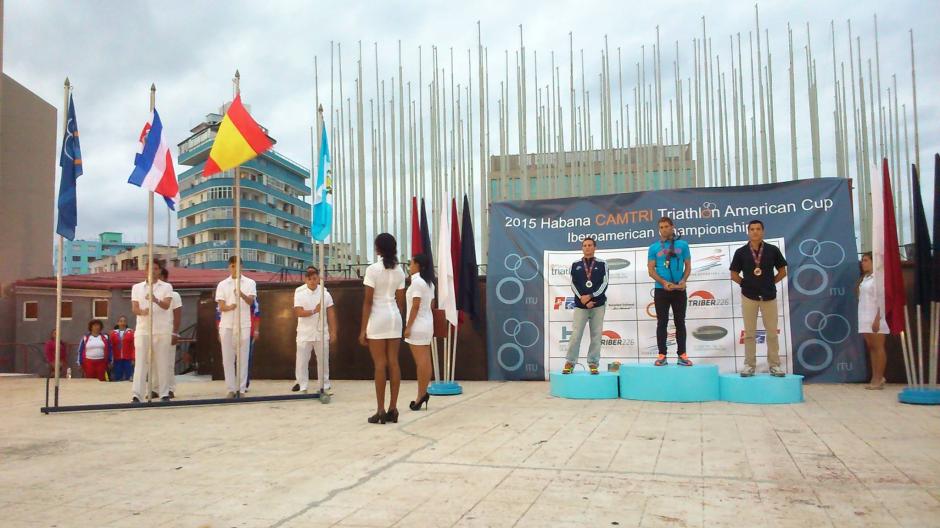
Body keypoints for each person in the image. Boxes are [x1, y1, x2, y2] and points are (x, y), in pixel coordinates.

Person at [730, 220, 788, 377]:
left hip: (769, 296)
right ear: (748, 232)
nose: (755, 231)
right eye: (752, 229)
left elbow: (783, 271)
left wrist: (770, 282)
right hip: (749, 296)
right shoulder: (741, 252)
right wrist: (746, 284)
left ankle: (774, 366)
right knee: (749, 333)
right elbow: (734, 274)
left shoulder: (773, 250)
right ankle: (749, 366)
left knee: (772, 333)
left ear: (763, 231)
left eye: (758, 229)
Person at [359, 233, 406, 424]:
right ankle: (393, 408)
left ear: (378, 248)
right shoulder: (400, 271)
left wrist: (363, 329)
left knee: (380, 364)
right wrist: (396, 317)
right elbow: (401, 302)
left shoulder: (372, 270)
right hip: (394, 317)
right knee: (394, 362)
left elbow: (368, 302)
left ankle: (380, 410)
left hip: (377, 318)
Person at [647, 217, 693, 366]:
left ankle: (682, 355)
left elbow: (688, 266)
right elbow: (651, 270)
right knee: (662, 323)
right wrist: (663, 282)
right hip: (661, 290)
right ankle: (662, 355)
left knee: (680, 322)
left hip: (679, 290)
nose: (664, 229)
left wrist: (684, 280)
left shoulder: (683, 245)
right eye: (661, 227)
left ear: (672, 227)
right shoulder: (654, 247)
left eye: (666, 226)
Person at [562, 237, 609, 375]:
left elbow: (605, 283)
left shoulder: (602, 264)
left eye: (590, 245)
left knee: (596, 335)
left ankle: (593, 363)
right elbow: (573, 284)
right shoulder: (575, 264)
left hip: (598, 305)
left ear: (595, 247)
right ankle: (570, 362)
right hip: (581, 305)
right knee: (576, 335)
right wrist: (583, 300)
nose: (587, 247)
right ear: (582, 248)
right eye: (585, 245)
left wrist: (591, 296)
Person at [131, 261, 174, 401]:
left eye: (156, 269)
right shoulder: (137, 288)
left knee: (162, 363)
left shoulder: (166, 287)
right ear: (145, 270)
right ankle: (137, 394)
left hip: (161, 330)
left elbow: (166, 305)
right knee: (141, 363)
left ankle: (164, 393)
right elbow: (134, 308)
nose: (153, 271)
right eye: (150, 268)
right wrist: (141, 311)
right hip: (143, 329)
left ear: (160, 271)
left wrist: (155, 300)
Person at [216, 255, 257, 398]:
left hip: (243, 324)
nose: (235, 268)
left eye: (237, 265)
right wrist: (230, 307)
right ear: (229, 267)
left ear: (242, 266)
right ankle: (230, 389)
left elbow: (251, 302)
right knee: (227, 358)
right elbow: (221, 306)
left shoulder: (250, 283)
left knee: (243, 358)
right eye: (232, 266)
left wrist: (241, 294)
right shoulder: (222, 284)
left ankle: (241, 389)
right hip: (227, 324)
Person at [293, 267, 338, 394]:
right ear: (305, 280)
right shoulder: (300, 293)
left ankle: (324, 385)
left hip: (321, 332)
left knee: (323, 360)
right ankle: (303, 386)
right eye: (309, 279)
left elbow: (331, 314)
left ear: (318, 279)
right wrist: (314, 311)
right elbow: (298, 312)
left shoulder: (325, 294)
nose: (312, 281)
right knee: (302, 361)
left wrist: (333, 331)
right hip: (304, 333)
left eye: (314, 278)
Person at [404, 254, 435, 410]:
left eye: (411, 263)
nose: (410, 266)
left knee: (421, 362)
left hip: (417, 325)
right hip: (427, 323)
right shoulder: (429, 283)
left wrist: (408, 327)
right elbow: (431, 305)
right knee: (426, 360)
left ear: (418, 265)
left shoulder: (417, 282)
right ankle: (423, 392)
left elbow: (415, 306)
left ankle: (420, 395)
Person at [857, 252, 888, 389]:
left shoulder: (878, 278)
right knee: (871, 347)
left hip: (875, 316)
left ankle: (879, 378)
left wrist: (878, 318)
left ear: (873, 262)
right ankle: (875, 376)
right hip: (864, 316)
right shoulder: (864, 279)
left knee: (878, 347)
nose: (863, 263)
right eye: (862, 260)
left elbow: (883, 299)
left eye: (866, 260)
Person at [155, 267, 182, 398]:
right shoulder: (151, 293)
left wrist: (175, 333)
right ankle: (155, 388)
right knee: (154, 362)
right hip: (154, 332)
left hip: (167, 331)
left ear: (164, 278)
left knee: (168, 362)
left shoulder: (173, 295)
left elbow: (177, 314)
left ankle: (170, 388)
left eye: (159, 276)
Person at [109, 316, 135, 381]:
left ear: (126, 323)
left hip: (128, 359)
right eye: (121, 321)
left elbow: (134, 346)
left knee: (129, 377)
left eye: (124, 321)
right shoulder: (113, 333)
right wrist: (111, 360)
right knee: (117, 377)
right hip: (117, 359)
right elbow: (110, 347)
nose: (123, 323)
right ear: (118, 323)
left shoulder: (131, 332)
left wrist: (133, 358)